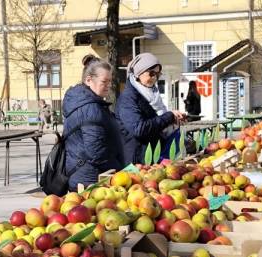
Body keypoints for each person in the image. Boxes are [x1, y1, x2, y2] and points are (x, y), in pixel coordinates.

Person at [62, 55, 124, 190]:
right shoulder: (90, 108)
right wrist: (121, 170)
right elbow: (96, 152)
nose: (109, 86)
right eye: (104, 82)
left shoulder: (89, 103)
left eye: (110, 81)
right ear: (89, 80)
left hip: (85, 175)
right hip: (90, 180)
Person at [115, 52, 186, 164]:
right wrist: (168, 116)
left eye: (158, 74)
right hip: (137, 161)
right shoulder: (128, 98)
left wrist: (172, 121)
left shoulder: (152, 94)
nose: (155, 78)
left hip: (152, 156)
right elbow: (139, 129)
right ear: (138, 73)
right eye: (151, 73)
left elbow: (154, 123)